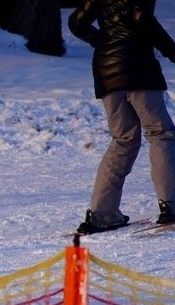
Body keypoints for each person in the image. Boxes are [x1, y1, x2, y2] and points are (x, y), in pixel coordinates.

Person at [69, 0, 175, 234]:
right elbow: (141, 17)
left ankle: (102, 214)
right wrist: (172, 51)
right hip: (139, 69)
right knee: (160, 133)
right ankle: (171, 204)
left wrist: (101, 41)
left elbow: (76, 22)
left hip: (106, 72)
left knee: (123, 139)